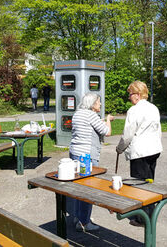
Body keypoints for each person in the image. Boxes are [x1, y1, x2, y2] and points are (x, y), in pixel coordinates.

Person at [116, 80, 162, 227]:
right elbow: (158, 129)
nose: (129, 97)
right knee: (149, 182)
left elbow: (128, 134)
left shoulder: (134, 110)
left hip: (140, 152)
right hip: (154, 149)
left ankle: (143, 219)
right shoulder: (153, 108)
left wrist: (120, 148)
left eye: (130, 94)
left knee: (138, 185)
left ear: (137, 94)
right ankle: (151, 214)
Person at [69, 92, 114, 232]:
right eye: (99, 102)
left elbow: (89, 126)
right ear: (93, 104)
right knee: (88, 188)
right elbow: (107, 132)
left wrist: (100, 120)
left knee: (79, 187)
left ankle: (78, 216)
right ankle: (84, 222)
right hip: (86, 157)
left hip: (74, 153)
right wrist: (107, 119)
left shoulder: (78, 114)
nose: (100, 104)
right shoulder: (91, 115)